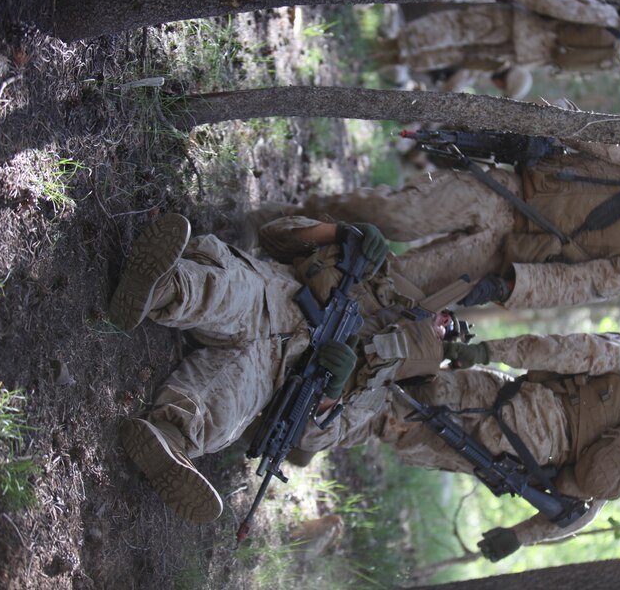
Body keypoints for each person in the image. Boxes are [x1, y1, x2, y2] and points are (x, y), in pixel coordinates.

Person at [110, 213, 461, 523]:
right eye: (447, 318)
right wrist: (338, 232)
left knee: (225, 409)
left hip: (275, 370)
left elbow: (314, 437)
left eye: (447, 333)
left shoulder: (375, 395)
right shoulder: (376, 268)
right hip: (275, 297)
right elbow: (275, 234)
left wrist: (332, 392)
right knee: (226, 291)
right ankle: (160, 288)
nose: (443, 324)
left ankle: (167, 442)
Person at [245, 105, 620, 311]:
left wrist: (503, 289)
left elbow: (568, 286)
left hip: (497, 256)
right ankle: (285, 217)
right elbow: (570, 126)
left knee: (393, 279)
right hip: (500, 192)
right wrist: (505, 134)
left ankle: (283, 271)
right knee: (394, 217)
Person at [296, 331, 620, 561]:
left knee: (396, 391)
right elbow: (583, 508)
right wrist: (519, 537)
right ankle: (308, 430)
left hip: (507, 407)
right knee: (395, 425)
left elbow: (556, 349)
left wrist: (487, 350)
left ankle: (302, 415)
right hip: (513, 460)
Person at [376, 0, 620, 78]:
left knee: (458, 25)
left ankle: (393, 47)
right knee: (461, 54)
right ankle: (403, 59)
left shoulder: (607, 18)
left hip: (521, 25)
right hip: (525, 55)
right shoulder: (616, 56)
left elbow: (560, 7)